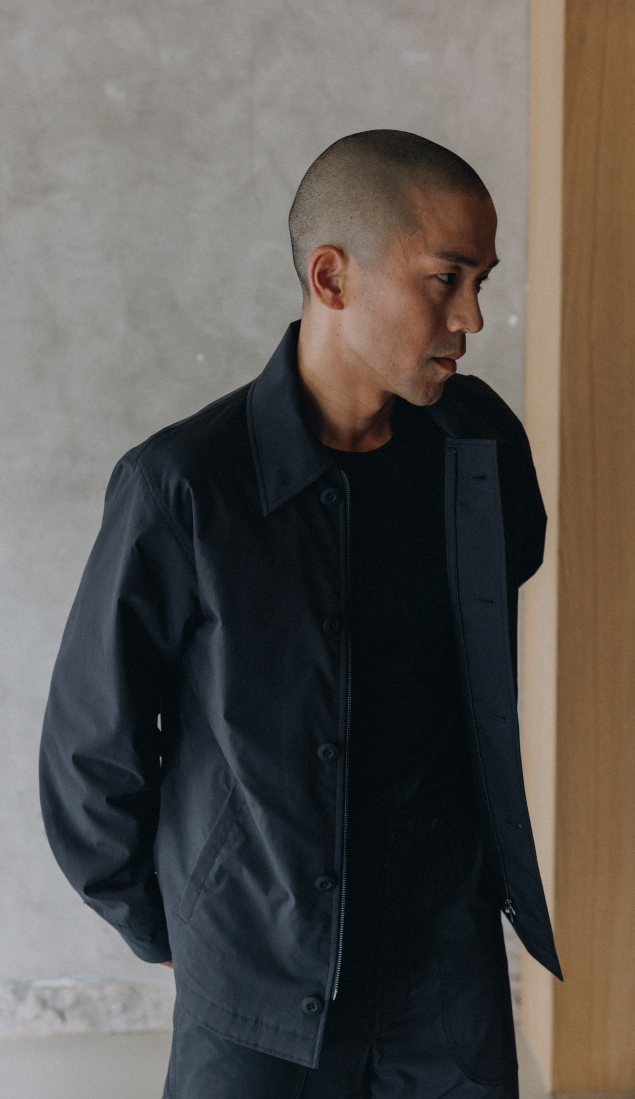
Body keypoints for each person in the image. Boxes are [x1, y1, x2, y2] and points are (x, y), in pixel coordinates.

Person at [39, 130, 561, 1099]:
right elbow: (94, 748)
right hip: (253, 967)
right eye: (445, 279)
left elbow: (506, 573)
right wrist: (168, 925)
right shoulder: (184, 485)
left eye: (481, 281)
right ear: (331, 276)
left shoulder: (478, 444)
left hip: (445, 962)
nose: (473, 318)